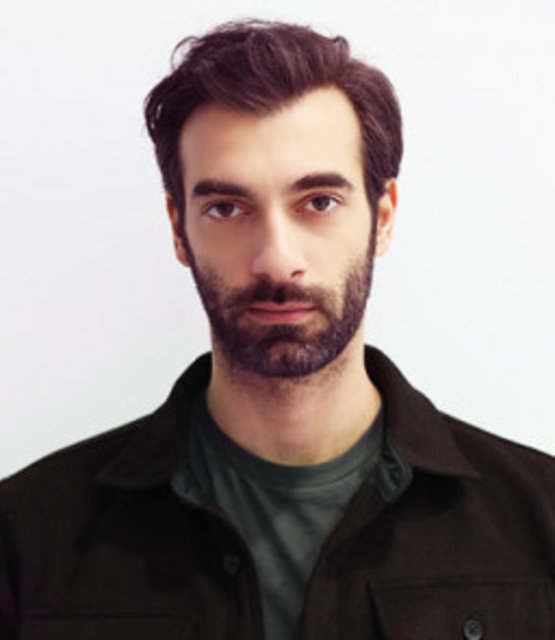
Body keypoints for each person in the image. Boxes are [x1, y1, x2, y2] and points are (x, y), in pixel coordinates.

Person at [0, 19, 554, 640]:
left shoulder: (541, 521)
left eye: (318, 202)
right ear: (179, 229)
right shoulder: (27, 536)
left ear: (383, 217)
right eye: (226, 208)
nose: (275, 258)